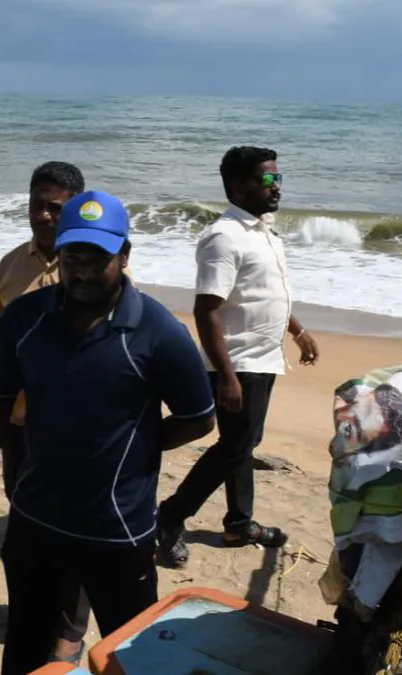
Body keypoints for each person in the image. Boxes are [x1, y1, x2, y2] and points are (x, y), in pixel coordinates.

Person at [0, 190, 216, 675]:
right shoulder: (24, 320)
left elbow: (200, 416)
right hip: (35, 519)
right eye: (74, 257)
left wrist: (140, 441)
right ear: (60, 254)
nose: (85, 270)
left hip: (118, 529)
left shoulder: (159, 332)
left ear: (125, 255)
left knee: (130, 653)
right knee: (26, 642)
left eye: (99, 258)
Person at [156, 146, 320, 569]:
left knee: (241, 446)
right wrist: (225, 375)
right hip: (238, 361)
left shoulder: (263, 230)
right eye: (267, 180)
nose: (277, 186)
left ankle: (238, 522)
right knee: (236, 445)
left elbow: (265, 293)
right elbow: (206, 309)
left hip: (263, 357)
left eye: (278, 178)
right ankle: (172, 516)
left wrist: (298, 331)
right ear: (237, 186)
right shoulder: (223, 237)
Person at [0, 160, 94, 664]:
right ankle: (34, 608)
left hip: (75, 431)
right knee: (26, 525)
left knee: (77, 532)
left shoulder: (95, 264)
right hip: (20, 424)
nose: (44, 215)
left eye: (57, 206)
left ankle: (69, 635)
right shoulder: (11, 264)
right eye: (37, 204)